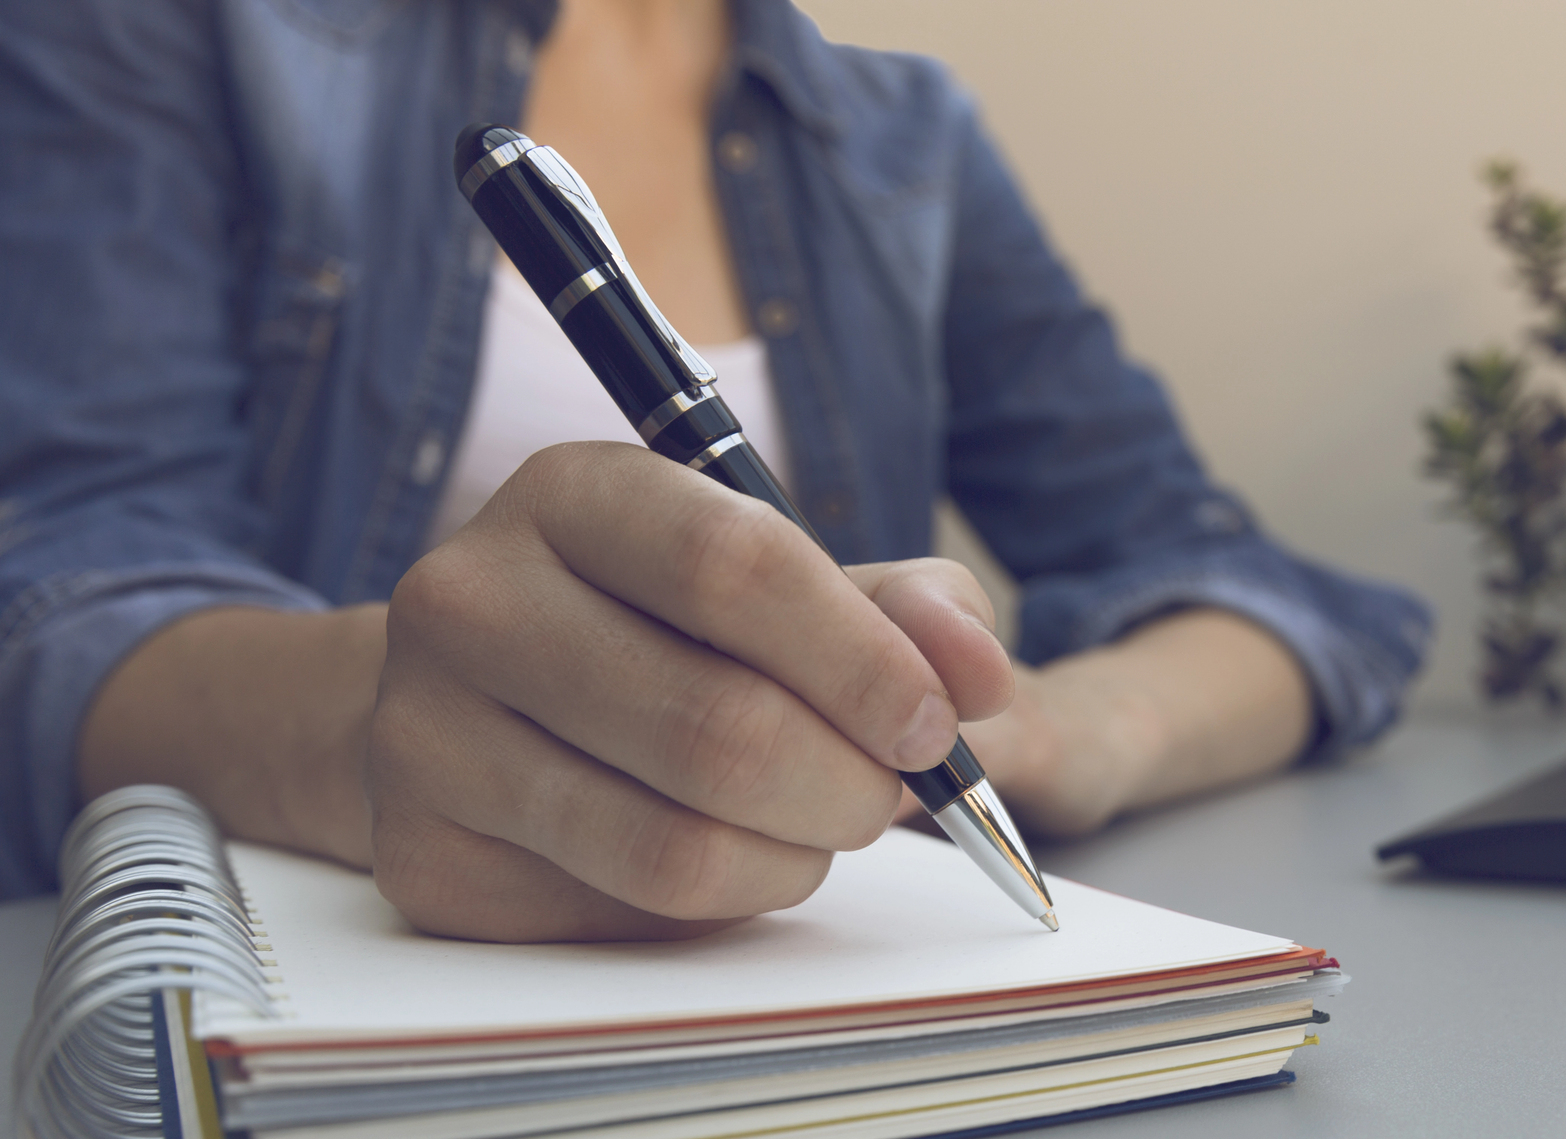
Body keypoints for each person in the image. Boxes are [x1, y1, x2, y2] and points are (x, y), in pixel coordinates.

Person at [0, 0, 1430, 938]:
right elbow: (66, 588)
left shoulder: (902, 138)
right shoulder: (165, 33)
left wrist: (1055, 728)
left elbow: (1261, 592)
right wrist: (364, 726)